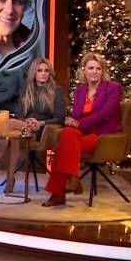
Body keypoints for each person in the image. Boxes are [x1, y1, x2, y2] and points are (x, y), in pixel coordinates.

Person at [42, 52, 122, 207]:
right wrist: (72, 121)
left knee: (62, 148)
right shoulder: (79, 92)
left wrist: (79, 124)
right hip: (83, 133)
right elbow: (77, 116)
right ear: (84, 70)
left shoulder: (113, 88)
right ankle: (73, 178)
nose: (94, 72)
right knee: (67, 132)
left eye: (98, 68)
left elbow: (106, 114)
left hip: (102, 135)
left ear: (103, 71)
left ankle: (59, 194)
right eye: (91, 68)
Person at [0, 58, 65, 193]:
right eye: (39, 70)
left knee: (10, 123)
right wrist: (27, 121)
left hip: (41, 130)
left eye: (46, 71)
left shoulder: (56, 90)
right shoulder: (26, 89)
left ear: (50, 73)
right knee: (13, 136)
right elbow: (19, 113)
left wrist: (40, 123)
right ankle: (10, 178)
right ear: (34, 73)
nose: (43, 73)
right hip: (24, 127)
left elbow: (60, 117)